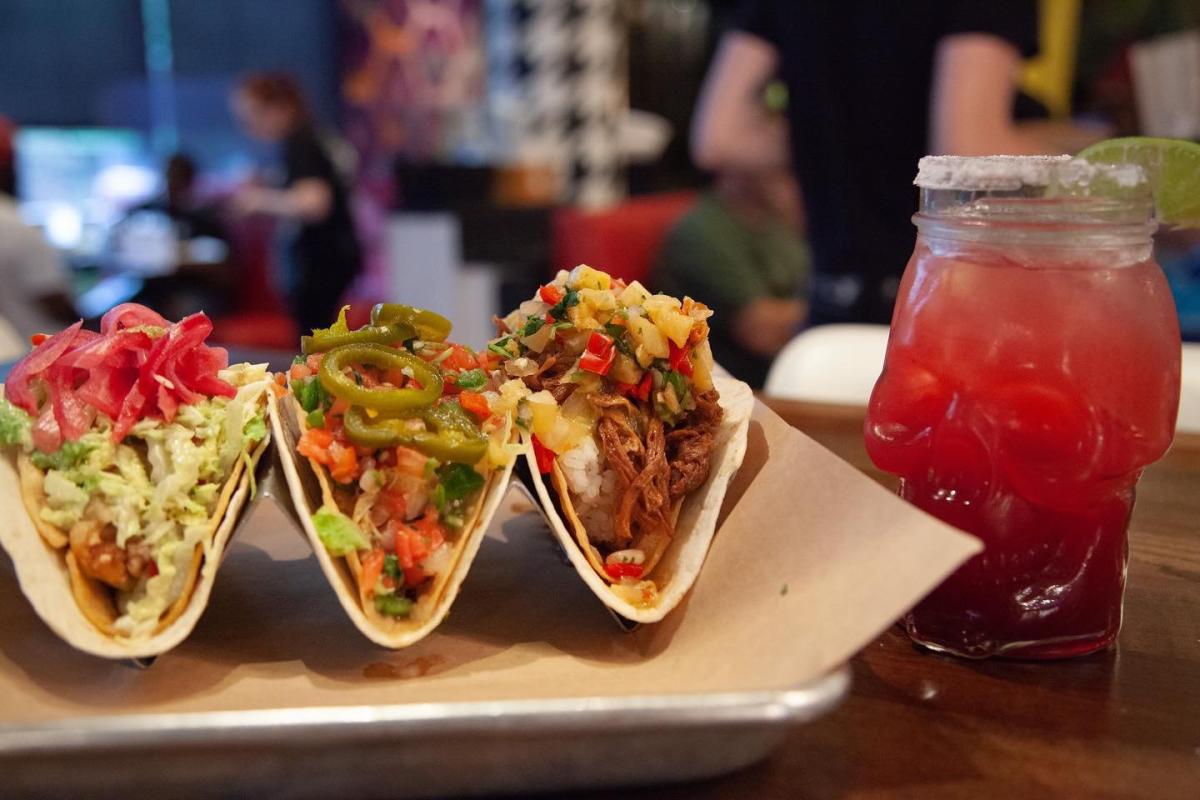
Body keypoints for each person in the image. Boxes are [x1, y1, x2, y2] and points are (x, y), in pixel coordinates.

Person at [692, 2, 1047, 325]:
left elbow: (719, 138)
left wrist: (826, 136)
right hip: (936, 310)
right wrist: (1073, 156)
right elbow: (968, 154)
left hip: (828, 305)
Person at [230, 73, 362, 334]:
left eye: (254, 115)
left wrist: (257, 200)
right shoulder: (315, 137)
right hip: (333, 256)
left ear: (279, 107)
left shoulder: (300, 141)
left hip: (320, 261)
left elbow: (314, 202)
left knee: (314, 342)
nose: (251, 127)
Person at [653, 170, 809, 388]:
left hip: (791, 368)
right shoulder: (703, 231)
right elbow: (761, 330)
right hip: (739, 385)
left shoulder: (776, 221)